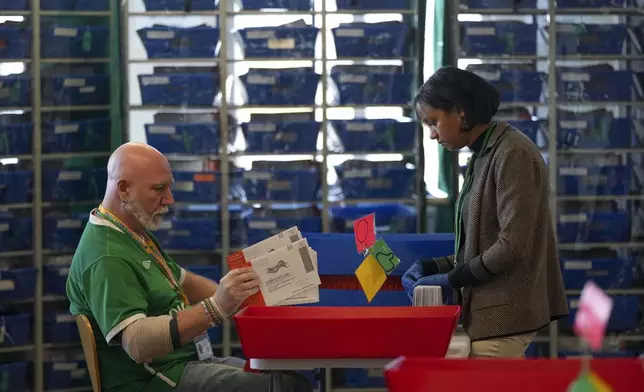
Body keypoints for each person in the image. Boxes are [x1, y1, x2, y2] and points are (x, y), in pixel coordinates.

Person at [66, 142, 312, 392]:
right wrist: (216, 307)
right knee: (285, 387)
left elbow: (183, 281)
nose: (169, 199)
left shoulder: (131, 232)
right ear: (124, 189)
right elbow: (137, 343)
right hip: (154, 380)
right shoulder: (107, 257)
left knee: (290, 379)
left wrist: (242, 297)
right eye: (159, 188)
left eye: (169, 186)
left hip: (185, 362)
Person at [402, 66, 569, 358]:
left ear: (460, 112)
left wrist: (453, 279)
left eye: (434, 122)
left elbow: (512, 246)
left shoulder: (512, 153)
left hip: (505, 316)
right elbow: (484, 241)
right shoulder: (485, 154)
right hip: (489, 316)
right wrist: (437, 266)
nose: (431, 135)